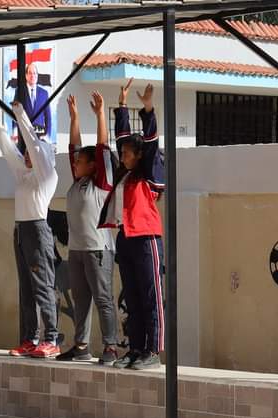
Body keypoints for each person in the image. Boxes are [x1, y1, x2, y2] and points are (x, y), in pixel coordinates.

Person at [0, 102, 61, 359]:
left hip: (37, 231)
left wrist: (20, 114)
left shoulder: (47, 176)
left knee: (42, 286)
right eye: (26, 153)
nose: (27, 155)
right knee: (26, 288)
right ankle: (31, 338)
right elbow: (11, 153)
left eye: (31, 152)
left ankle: (51, 339)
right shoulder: (24, 175)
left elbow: (35, 146)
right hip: (21, 231)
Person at [101, 80, 165, 371]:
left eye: (128, 153)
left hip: (146, 238)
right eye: (123, 152)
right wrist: (122, 106)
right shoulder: (124, 174)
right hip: (126, 238)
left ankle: (153, 350)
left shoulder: (148, 172)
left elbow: (150, 143)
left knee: (151, 297)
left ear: (139, 156)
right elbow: (121, 138)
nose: (123, 155)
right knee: (133, 296)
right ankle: (136, 348)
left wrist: (147, 108)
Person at [60, 91, 120, 365]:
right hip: (77, 250)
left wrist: (100, 115)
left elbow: (102, 148)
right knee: (81, 300)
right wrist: (74, 118)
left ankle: (111, 347)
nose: (75, 164)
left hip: (98, 249)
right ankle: (81, 346)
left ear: (93, 165)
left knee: (103, 299)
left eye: (80, 162)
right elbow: (74, 147)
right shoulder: (78, 183)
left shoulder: (102, 183)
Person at [18, 61, 52, 139]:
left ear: (37, 75)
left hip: (40, 135)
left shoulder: (44, 93)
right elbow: (16, 113)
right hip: (24, 135)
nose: (32, 75)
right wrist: (15, 132)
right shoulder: (20, 91)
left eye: (34, 73)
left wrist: (47, 135)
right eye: (30, 73)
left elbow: (48, 116)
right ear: (26, 75)